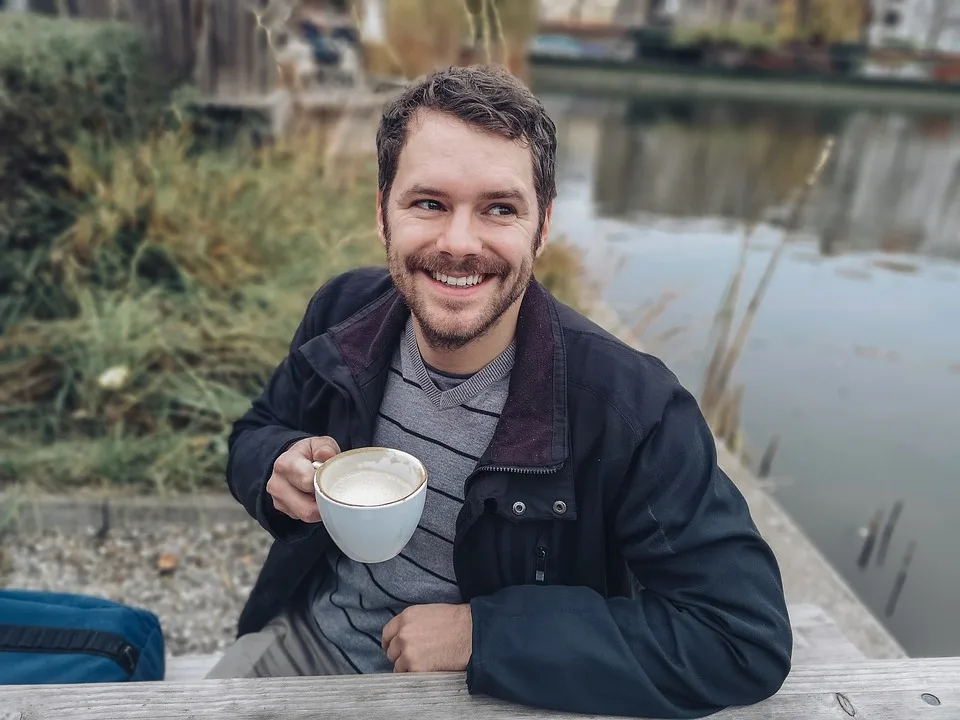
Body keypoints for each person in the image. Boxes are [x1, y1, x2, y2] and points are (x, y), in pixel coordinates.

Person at [210, 65, 793, 718]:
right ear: (383, 216)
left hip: (501, 693)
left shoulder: (631, 411)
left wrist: (490, 633)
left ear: (541, 229)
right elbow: (255, 432)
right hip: (309, 650)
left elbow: (742, 637)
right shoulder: (343, 313)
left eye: (499, 209)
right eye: (428, 203)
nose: (459, 244)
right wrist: (272, 467)